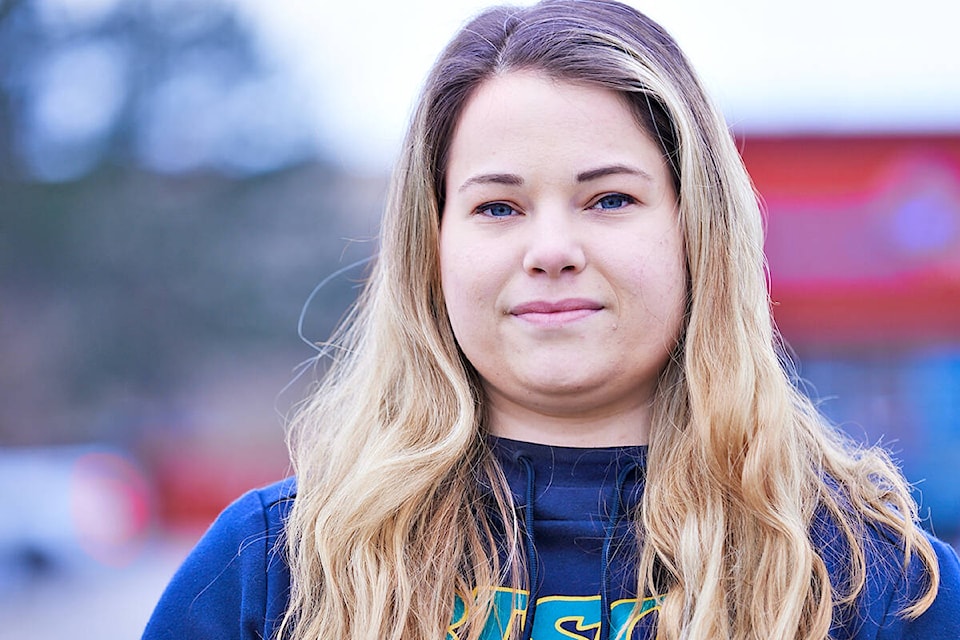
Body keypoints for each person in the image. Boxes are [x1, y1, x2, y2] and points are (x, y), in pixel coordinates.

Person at [142, 1, 960, 638]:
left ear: (697, 232)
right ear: (432, 249)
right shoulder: (276, 569)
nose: (552, 248)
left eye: (609, 198)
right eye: (498, 206)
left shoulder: (875, 580)